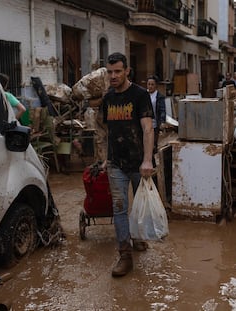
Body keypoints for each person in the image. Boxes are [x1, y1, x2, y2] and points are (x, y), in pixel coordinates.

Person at [101, 52, 154, 277]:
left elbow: (147, 129)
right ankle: (125, 255)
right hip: (116, 163)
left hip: (138, 162)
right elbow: (107, 132)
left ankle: (139, 237)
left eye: (117, 71)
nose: (113, 76)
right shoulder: (107, 98)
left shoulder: (140, 95)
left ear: (127, 71)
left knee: (141, 204)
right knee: (119, 208)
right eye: (110, 72)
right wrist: (106, 157)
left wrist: (147, 160)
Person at [146, 75, 166, 153]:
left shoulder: (159, 97)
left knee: (153, 144)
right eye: (149, 84)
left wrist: (162, 121)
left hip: (154, 124)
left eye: (152, 84)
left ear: (156, 85)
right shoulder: (144, 95)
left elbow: (162, 110)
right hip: (145, 123)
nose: (150, 86)